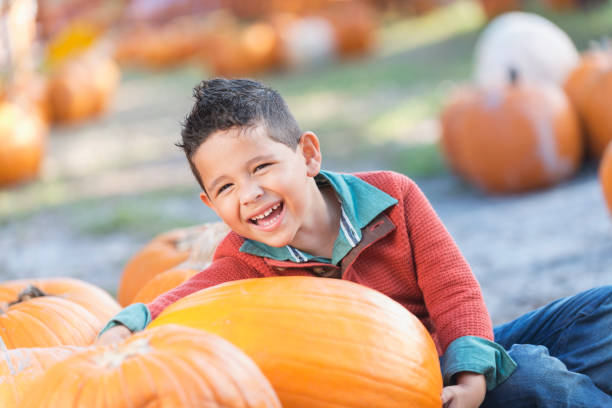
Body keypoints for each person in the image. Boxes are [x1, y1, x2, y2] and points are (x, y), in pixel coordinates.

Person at [98, 78, 612, 407]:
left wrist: (472, 370)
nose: (250, 194)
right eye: (226, 186)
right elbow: (179, 302)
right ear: (211, 205)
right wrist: (125, 327)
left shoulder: (391, 196)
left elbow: (455, 292)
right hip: (411, 386)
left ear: (308, 155)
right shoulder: (243, 260)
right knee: (540, 381)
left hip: (456, 349)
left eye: (261, 167)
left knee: (600, 315)